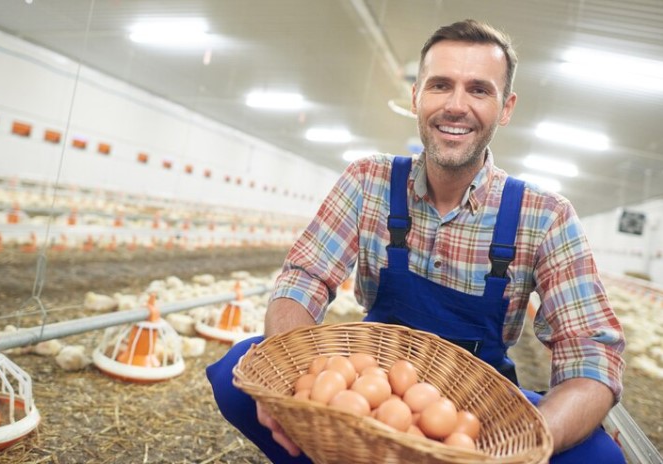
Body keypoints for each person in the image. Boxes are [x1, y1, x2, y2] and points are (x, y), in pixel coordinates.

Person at [207, 19, 626, 464]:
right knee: (239, 369)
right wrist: (291, 384)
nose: (456, 106)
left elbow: (591, 355)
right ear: (415, 97)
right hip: (373, 386)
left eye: (479, 90)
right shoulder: (369, 180)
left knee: (599, 457)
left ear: (506, 107)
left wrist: (523, 443)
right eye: (440, 85)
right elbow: (303, 278)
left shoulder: (545, 216)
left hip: (476, 405)